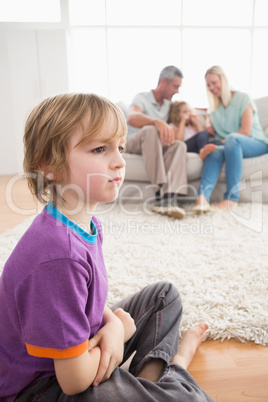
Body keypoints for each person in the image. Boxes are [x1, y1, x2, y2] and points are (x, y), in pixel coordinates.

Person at [0, 93, 213, 401]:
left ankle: (147, 383)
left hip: (82, 350)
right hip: (40, 387)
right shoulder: (59, 255)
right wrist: (118, 334)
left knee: (165, 296)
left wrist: (112, 322)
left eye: (120, 147)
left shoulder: (83, 225)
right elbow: (73, 382)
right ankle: (176, 367)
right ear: (48, 165)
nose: (119, 161)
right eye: (100, 149)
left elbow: (85, 302)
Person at [194, 65, 268, 213]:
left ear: (223, 80)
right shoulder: (214, 110)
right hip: (230, 147)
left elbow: (246, 132)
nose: (212, 87)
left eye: (214, 82)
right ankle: (202, 198)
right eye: (208, 85)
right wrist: (206, 119)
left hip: (255, 143)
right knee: (215, 151)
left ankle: (231, 199)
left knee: (232, 139)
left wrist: (222, 141)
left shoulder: (242, 98)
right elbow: (212, 131)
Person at [126, 66, 188, 220]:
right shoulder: (142, 97)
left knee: (179, 145)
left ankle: (169, 197)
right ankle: (159, 191)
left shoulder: (168, 105)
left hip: (154, 146)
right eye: (175, 86)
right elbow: (132, 117)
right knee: (151, 130)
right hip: (134, 142)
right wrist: (156, 121)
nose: (177, 91)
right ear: (163, 82)